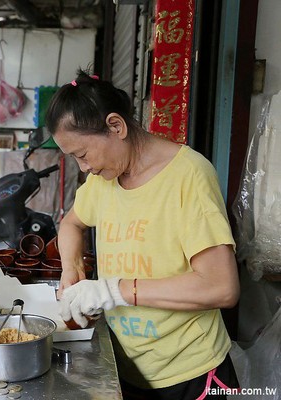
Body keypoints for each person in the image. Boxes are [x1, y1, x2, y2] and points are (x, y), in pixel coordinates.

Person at [45, 69, 241, 399]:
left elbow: (221, 287)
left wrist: (114, 291)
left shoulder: (189, 176)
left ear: (116, 126)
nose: (84, 168)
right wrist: (72, 271)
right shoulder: (104, 179)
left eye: (82, 154)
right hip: (126, 370)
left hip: (192, 376)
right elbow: (71, 224)